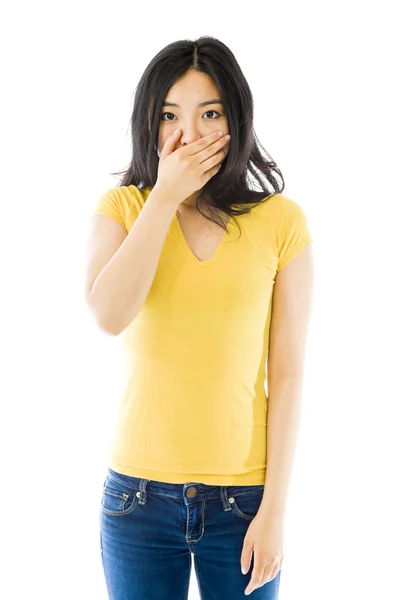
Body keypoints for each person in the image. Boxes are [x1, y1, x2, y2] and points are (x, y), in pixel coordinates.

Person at [85, 36, 314, 600]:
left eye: (208, 112)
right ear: (149, 123)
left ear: (235, 120)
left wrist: (276, 511)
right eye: (169, 115)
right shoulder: (124, 209)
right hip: (136, 502)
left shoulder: (281, 223)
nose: (187, 134)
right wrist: (163, 199)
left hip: (243, 502)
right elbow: (109, 315)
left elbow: (286, 374)